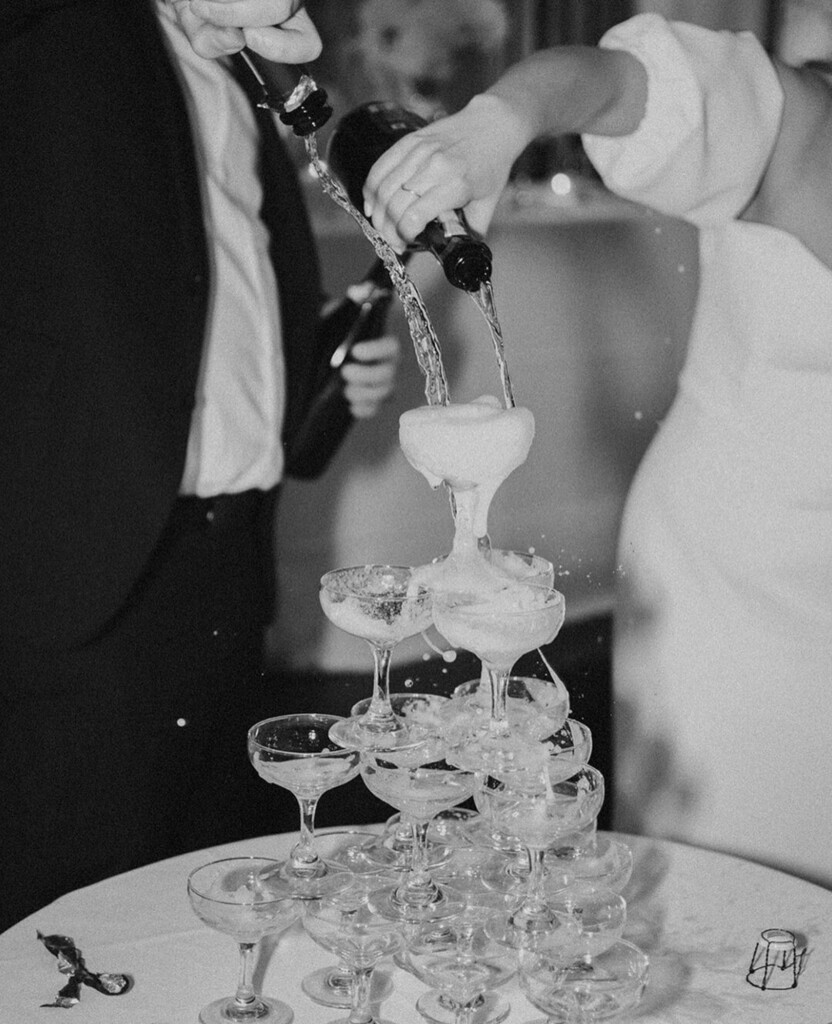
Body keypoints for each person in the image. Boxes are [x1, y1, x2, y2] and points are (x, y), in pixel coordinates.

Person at [363, 12, 832, 887]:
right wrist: (496, 126)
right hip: (743, 593)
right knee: (734, 885)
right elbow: (612, 84)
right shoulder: (802, 124)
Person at [0, 0, 400, 931]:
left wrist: (316, 365)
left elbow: (209, 282)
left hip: (229, 554)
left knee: (206, 882)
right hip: (83, 560)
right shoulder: (56, 36)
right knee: (72, 912)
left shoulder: (238, 73)